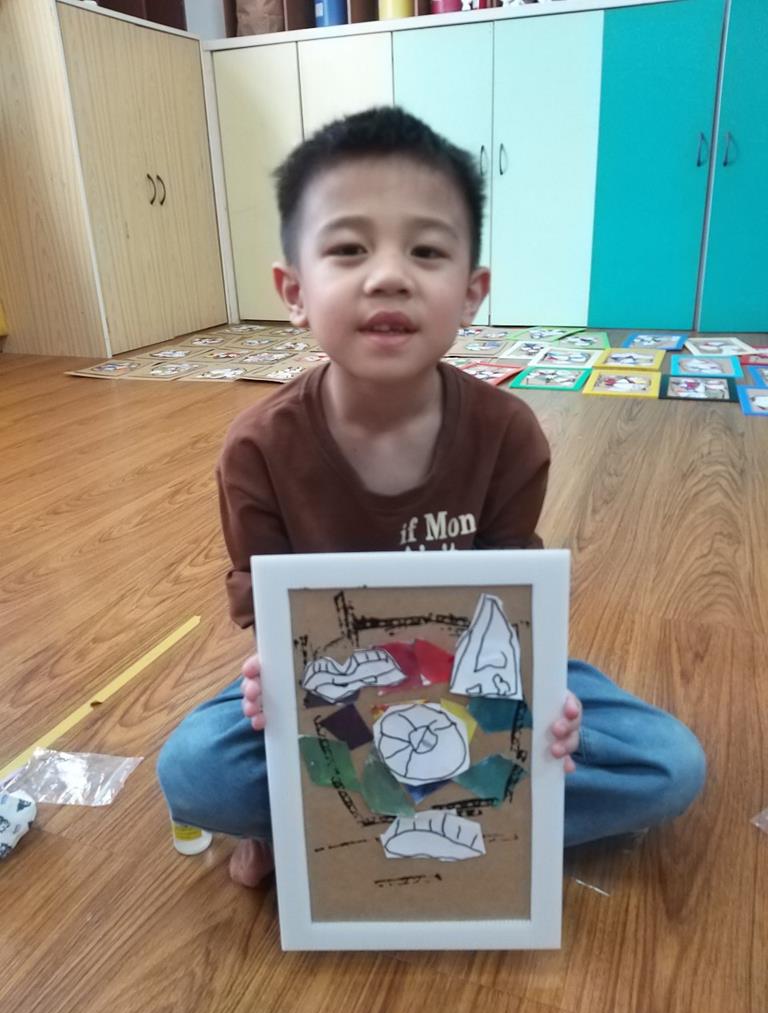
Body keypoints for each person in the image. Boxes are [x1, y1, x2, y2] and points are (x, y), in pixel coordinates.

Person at [157, 107, 706, 888]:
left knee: (670, 765)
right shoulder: (258, 449)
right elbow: (275, 634)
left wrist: (541, 710)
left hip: (475, 688)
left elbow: (510, 615)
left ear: (472, 292)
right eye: (348, 249)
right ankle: (429, 818)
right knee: (195, 770)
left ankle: (329, 825)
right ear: (294, 291)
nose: (389, 275)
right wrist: (266, 684)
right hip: (336, 699)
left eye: (426, 250)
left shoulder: (507, 434)